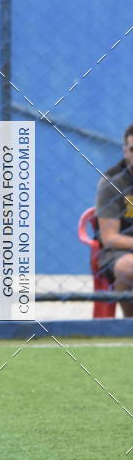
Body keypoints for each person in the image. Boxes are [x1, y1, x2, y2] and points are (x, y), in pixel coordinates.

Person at [96, 123, 133, 317]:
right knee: (128, 266)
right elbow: (110, 238)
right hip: (120, 252)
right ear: (125, 151)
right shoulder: (112, 183)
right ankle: (130, 325)